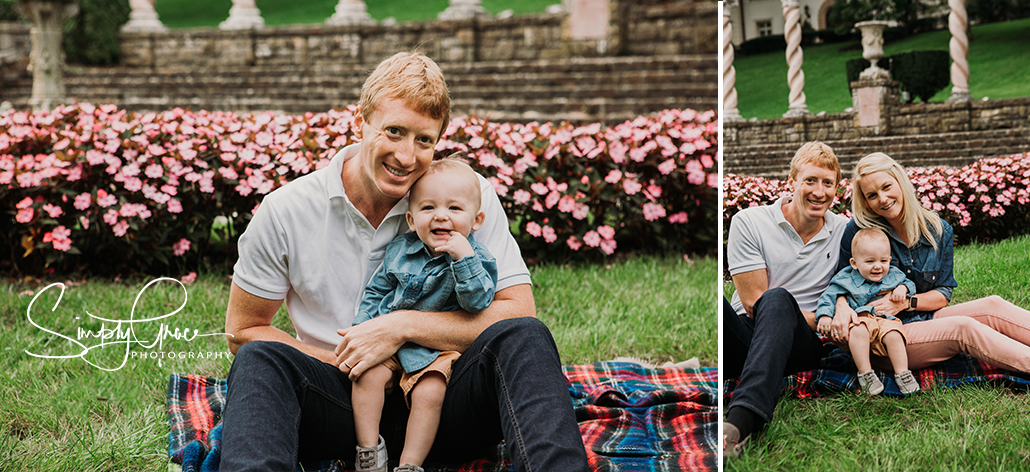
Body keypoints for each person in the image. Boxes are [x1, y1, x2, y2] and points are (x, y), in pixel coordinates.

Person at [220, 51, 589, 472]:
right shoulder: (287, 210)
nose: (407, 156)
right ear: (360, 119)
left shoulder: (461, 198)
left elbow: (516, 310)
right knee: (259, 359)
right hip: (342, 399)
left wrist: (400, 328)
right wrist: (357, 358)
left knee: (525, 336)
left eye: (424, 140)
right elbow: (243, 330)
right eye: (393, 131)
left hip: (445, 394)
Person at [351, 158, 496, 472]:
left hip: (436, 348)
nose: (441, 215)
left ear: (477, 219)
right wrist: (362, 328)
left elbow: (477, 302)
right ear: (412, 219)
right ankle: (368, 450)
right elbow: (377, 291)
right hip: (390, 341)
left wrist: (463, 260)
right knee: (367, 374)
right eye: (428, 208)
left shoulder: (477, 258)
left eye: (455, 209)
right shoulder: (399, 251)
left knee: (430, 392)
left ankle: (409, 464)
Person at [829, 152, 1030, 376]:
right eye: (872, 195)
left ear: (900, 181)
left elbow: (943, 293)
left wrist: (906, 302)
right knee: (963, 328)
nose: (882, 198)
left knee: (993, 306)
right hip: (884, 334)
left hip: (923, 317)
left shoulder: (937, 229)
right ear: (865, 201)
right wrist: (841, 308)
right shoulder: (859, 231)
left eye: (887, 187)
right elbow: (840, 285)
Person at [722, 142, 849, 458]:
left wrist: (816, 320)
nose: (819, 192)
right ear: (791, 182)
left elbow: (853, 289)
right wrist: (823, 318)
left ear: (837, 189)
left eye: (827, 183)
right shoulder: (750, 222)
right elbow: (753, 303)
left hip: (802, 344)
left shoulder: (843, 230)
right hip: (748, 333)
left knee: (778, 299)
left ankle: (741, 422)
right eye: (810, 181)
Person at [814, 227, 919, 395]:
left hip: (885, 319)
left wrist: (903, 288)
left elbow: (910, 284)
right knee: (857, 330)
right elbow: (828, 297)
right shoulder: (845, 278)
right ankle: (866, 373)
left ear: (889, 260)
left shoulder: (893, 275)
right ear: (854, 263)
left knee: (894, 334)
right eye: (870, 262)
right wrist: (825, 316)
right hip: (859, 319)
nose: (878, 267)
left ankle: (902, 373)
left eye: (883, 261)